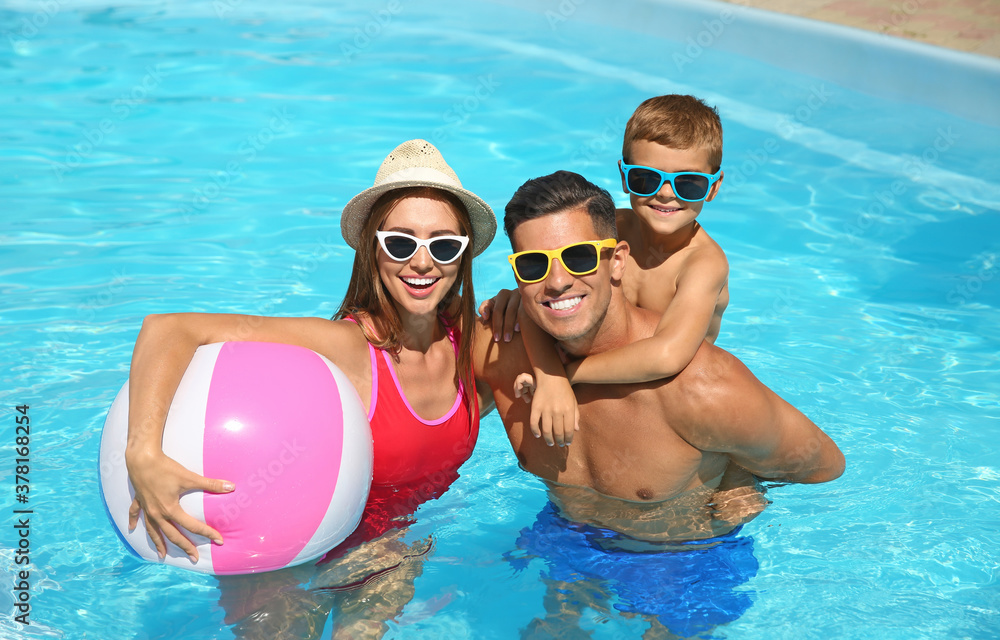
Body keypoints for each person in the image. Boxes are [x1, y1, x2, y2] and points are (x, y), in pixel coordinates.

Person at [123, 139, 498, 639]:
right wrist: (142, 452)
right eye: (401, 243)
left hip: (387, 551)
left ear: (464, 254)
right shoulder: (345, 345)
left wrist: (553, 378)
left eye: (443, 245)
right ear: (372, 248)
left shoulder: (473, 346)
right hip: (281, 553)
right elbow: (169, 329)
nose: (423, 263)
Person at [472, 170, 844, 636]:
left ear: (618, 262)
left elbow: (823, 465)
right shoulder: (500, 348)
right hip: (566, 536)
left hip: (685, 559)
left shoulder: (701, 388)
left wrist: (741, 478)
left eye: (580, 257)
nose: (558, 282)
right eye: (533, 266)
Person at [482, 95, 731, 448]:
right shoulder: (607, 227)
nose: (665, 194)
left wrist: (564, 375)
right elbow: (551, 288)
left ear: (714, 187)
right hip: (604, 376)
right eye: (646, 178)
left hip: (667, 394)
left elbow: (667, 355)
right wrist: (519, 301)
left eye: (688, 183)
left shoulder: (703, 263)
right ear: (624, 175)